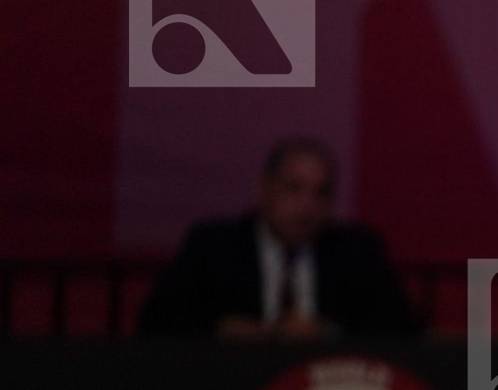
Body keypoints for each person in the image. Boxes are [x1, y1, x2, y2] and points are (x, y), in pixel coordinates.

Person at [137, 136, 421, 339]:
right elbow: (155, 322)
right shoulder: (214, 247)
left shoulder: (357, 251)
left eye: (321, 193)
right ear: (263, 190)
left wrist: (328, 332)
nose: (307, 205)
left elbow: (403, 328)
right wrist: (224, 330)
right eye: (293, 189)